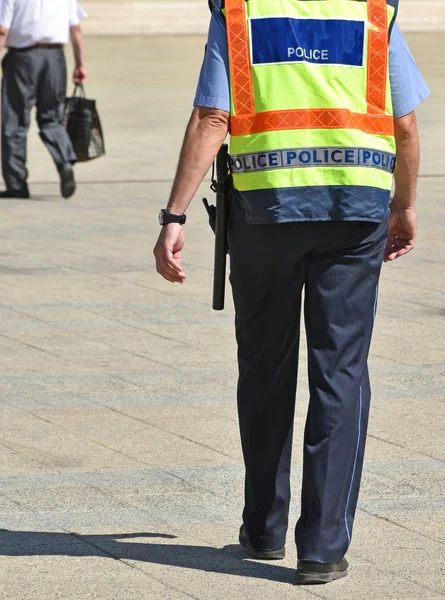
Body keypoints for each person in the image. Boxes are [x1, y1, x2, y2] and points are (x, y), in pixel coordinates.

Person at [154, 0, 430, 585]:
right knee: (341, 371)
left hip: (264, 211)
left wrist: (174, 215)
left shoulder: (239, 11)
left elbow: (211, 116)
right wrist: (404, 205)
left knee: (263, 365)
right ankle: (323, 548)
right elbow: (403, 122)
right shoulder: (372, 8)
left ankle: (262, 527)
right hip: (355, 212)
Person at [0, 0, 87, 199]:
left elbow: (3, 30)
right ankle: (64, 161)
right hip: (55, 58)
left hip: (22, 59)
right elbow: (76, 28)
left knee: (14, 122)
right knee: (52, 118)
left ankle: (16, 184)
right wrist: (80, 64)